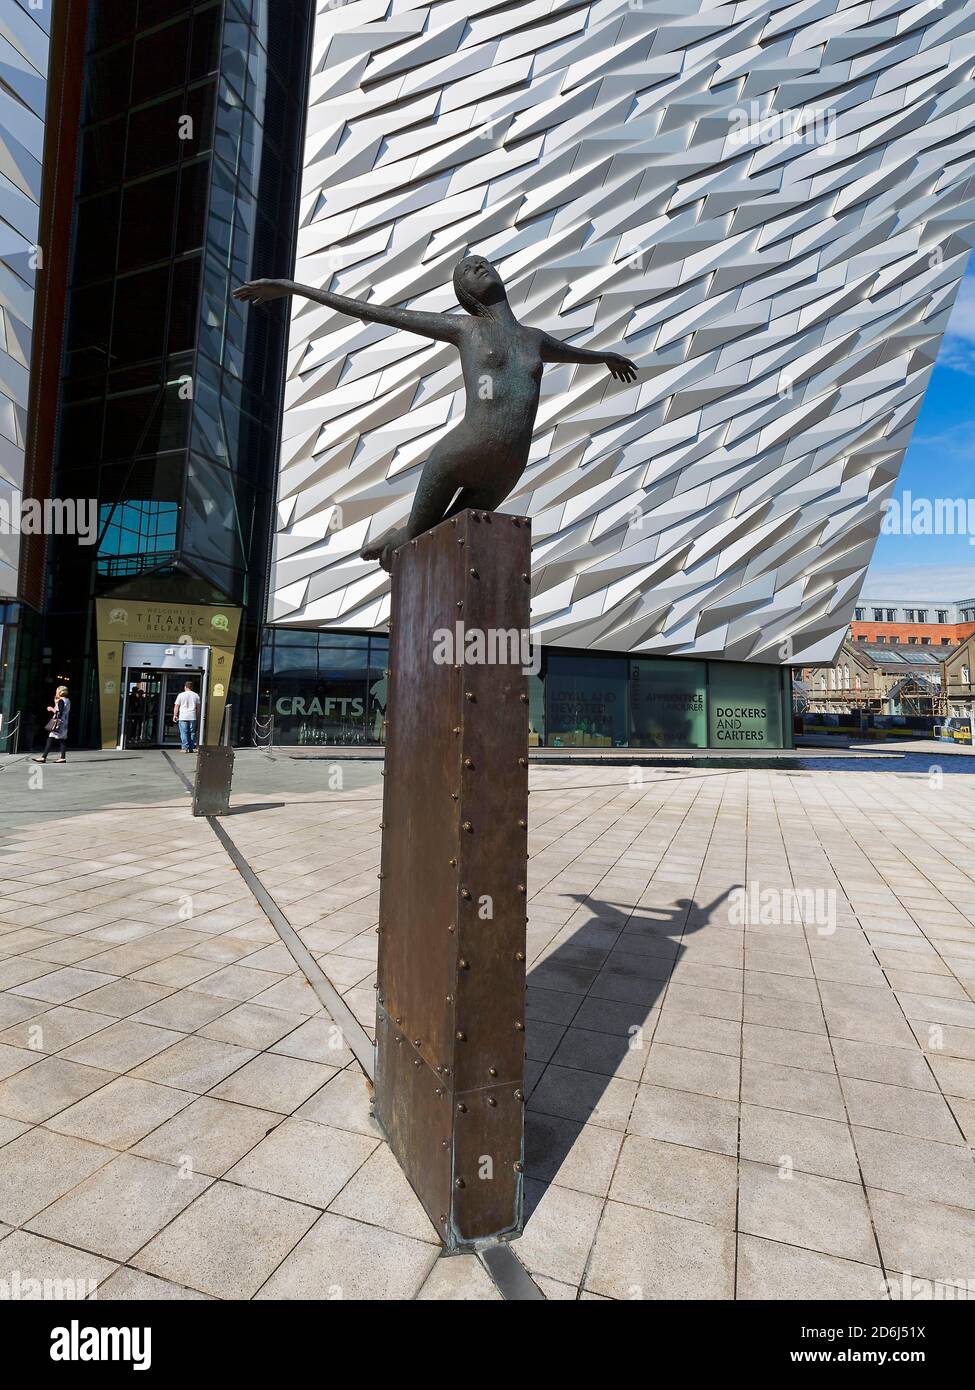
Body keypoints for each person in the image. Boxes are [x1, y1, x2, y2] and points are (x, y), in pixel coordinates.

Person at [234, 256, 637, 570]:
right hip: (463, 450)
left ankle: (399, 540)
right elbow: (375, 313)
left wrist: (604, 357)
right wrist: (289, 288)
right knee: (419, 535)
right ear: (468, 294)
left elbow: (577, 353)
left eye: (483, 263)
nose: (480, 267)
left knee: (446, 538)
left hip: (510, 464)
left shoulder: (534, 339)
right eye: (469, 271)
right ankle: (399, 540)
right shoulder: (465, 328)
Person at [33, 686, 71, 764]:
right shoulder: (67, 700)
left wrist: (51, 709)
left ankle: (43, 757)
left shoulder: (61, 701)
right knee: (62, 740)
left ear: (59, 692)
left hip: (58, 723)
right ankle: (62, 757)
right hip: (64, 723)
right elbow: (63, 710)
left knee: (50, 739)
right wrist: (56, 703)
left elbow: (59, 712)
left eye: (57, 691)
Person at [173, 681, 201, 753]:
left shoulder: (181, 695)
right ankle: (191, 748)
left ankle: (185, 748)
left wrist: (175, 715)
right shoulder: (196, 695)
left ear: (185, 687)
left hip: (183, 716)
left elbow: (176, 706)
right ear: (192, 687)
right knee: (192, 733)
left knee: (184, 732)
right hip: (192, 716)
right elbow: (198, 708)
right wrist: (197, 717)